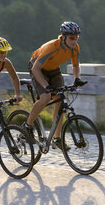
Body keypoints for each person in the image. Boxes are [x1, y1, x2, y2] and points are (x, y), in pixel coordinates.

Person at [22, 21, 86, 151]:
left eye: (76, 37)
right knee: (45, 98)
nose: (74, 41)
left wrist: (77, 78)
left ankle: (57, 139)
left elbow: (75, 65)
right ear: (63, 37)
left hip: (54, 70)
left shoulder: (75, 48)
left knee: (60, 101)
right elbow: (35, 69)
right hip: (37, 69)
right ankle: (27, 126)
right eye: (72, 38)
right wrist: (46, 86)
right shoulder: (51, 47)